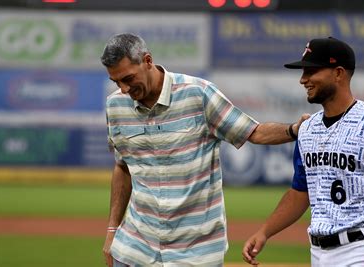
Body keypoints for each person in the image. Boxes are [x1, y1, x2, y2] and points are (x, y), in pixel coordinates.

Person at [100, 33, 308, 267]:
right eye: (117, 82)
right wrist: (111, 230)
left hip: (195, 254)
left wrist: (294, 130)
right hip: (134, 250)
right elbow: (122, 166)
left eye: (128, 78)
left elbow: (254, 132)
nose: (124, 89)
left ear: (147, 61)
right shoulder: (115, 105)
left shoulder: (198, 93)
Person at [242, 37, 364, 267]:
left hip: (362, 248)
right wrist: (264, 232)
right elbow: (300, 193)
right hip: (318, 252)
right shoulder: (307, 128)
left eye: (311, 71)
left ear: (339, 73)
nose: (303, 80)